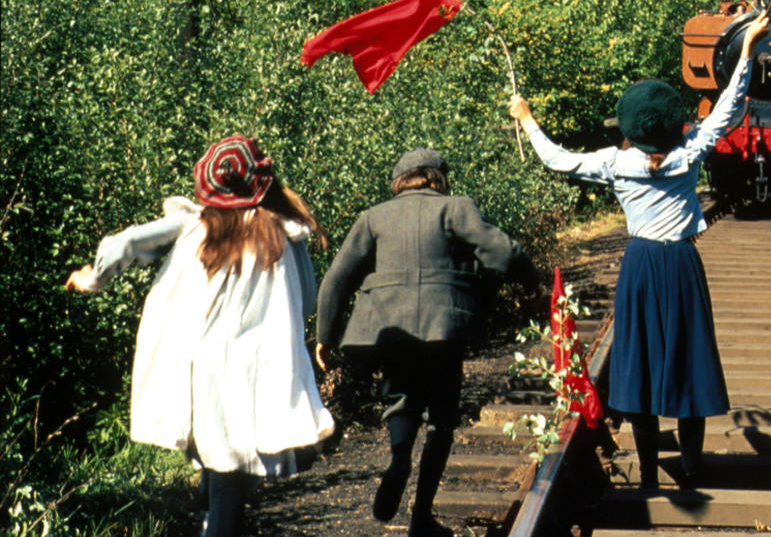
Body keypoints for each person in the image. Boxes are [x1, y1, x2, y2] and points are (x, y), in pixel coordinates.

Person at [508, 12, 770, 489]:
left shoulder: (614, 162)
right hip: (683, 264)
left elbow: (555, 160)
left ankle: (649, 471)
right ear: (674, 123)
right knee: (689, 362)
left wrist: (527, 119)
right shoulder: (690, 152)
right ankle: (691, 465)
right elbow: (731, 106)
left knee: (642, 365)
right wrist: (747, 46)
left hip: (641, 266)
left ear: (629, 124)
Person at [65, 134, 335, 537]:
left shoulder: (195, 225)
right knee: (231, 478)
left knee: (220, 472)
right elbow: (308, 301)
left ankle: (211, 518)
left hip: (196, 367)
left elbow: (129, 241)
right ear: (261, 184)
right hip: (252, 370)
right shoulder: (283, 235)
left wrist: (93, 278)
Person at [315, 148, 535, 537]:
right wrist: (531, 281)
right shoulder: (455, 208)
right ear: (438, 178)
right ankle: (421, 516)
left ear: (400, 182)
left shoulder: (374, 217)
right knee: (442, 418)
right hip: (443, 325)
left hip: (389, 328)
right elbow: (502, 253)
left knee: (400, 398)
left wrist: (325, 337)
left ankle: (399, 459)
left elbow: (336, 278)